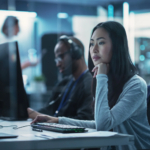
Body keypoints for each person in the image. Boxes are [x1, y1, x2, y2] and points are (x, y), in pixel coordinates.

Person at [31, 21, 150, 150]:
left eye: (101, 42)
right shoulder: (104, 81)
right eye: (92, 43)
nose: (94, 49)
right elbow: (98, 123)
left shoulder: (136, 85)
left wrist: (102, 76)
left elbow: (104, 125)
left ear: (117, 46)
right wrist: (58, 121)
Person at [27, 35, 94, 120]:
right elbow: (49, 109)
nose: (57, 64)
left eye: (61, 57)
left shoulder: (89, 84)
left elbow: (84, 120)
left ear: (76, 53)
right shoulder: (65, 82)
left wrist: (54, 121)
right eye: (56, 59)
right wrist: (29, 113)